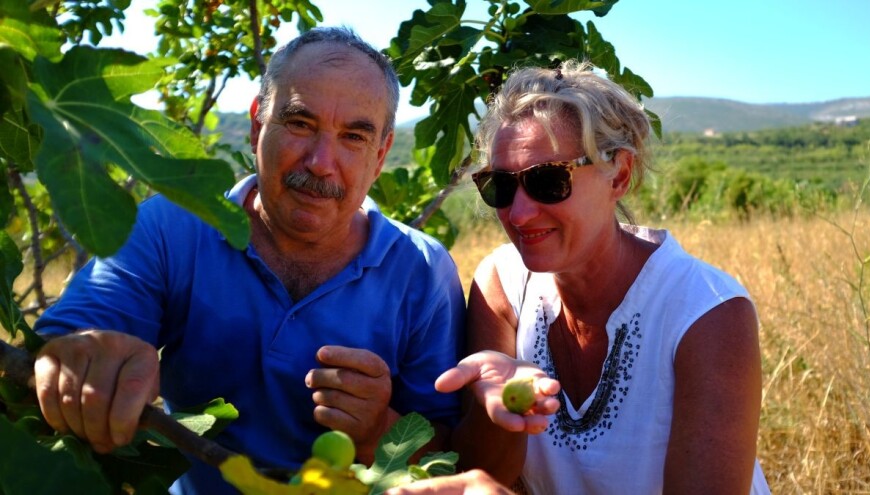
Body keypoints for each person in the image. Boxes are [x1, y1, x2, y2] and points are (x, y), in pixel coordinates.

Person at [32, 27, 465, 494]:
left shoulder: (425, 271)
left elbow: (447, 458)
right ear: (258, 125)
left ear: (379, 156)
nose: (321, 162)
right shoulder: (172, 226)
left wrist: (379, 428)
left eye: (353, 137)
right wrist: (81, 354)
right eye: (300, 124)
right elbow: (71, 340)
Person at [434, 60, 771, 494]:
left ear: (620, 175)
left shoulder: (706, 312)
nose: (518, 214)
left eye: (548, 180)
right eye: (500, 185)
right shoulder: (502, 285)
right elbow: (483, 473)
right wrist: (500, 414)